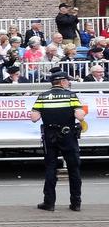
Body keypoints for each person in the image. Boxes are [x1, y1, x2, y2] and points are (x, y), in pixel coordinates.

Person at [31, 68, 86, 212]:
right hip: (68, 135)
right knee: (74, 168)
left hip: (50, 136)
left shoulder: (42, 96)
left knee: (50, 168)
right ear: (62, 82)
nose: (69, 83)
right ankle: (76, 203)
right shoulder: (71, 96)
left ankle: (49, 203)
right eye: (67, 81)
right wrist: (81, 111)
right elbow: (80, 116)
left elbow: (34, 118)